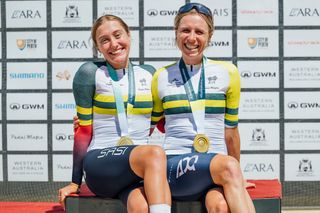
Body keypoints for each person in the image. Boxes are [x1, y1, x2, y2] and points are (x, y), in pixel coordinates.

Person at [149, 2, 256, 212]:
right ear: (176, 32)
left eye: (199, 32)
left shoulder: (229, 72)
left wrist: (236, 178)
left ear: (210, 36)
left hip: (214, 168)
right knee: (228, 166)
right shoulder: (160, 76)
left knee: (220, 206)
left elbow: (231, 132)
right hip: (174, 165)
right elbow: (144, 124)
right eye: (185, 30)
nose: (192, 38)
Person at [58, 14, 171, 213]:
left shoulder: (150, 73)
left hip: (136, 168)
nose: (113, 44)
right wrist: (75, 182)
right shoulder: (89, 73)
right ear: (98, 47)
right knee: (154, 152)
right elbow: (83, 132)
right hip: (100, 163)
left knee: (141, 207)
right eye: (104, 40)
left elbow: (162, 123)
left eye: (118, 35)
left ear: (129, 36)